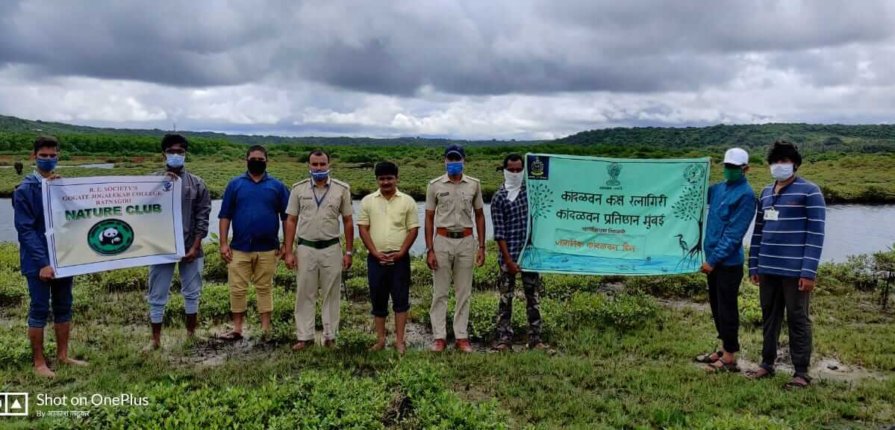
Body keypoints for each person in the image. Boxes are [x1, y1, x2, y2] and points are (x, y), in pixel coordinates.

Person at [747, 140, 826, 389]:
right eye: (775, 161)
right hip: (767, 268)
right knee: (769, 316)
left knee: (797, 318)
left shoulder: (810, 192)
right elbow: (758, 231)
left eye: (784, 161)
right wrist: (754, 265)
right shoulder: (765, 193)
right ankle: (766, 364)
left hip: (795, 272)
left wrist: (808, 271)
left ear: (795, 164)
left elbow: (816, 234)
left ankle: (801, 372)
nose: (779, 165)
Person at [14, 135, 88, 378]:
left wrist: (61, 190)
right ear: (33, 157)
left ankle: (63, 356)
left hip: (63, 257)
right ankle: (38, 363)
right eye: (43, 156)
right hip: (38, 263)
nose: (48, 159)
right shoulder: (24, 190)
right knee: (38, 309)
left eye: (52, 155)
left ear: (58, 156)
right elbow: (25, 231)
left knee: (64, 307)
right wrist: (43, 263)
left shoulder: (60, 185)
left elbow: (76, 217)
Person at [146, 134, 211, 350]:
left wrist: (195, 246)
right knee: (157, 294)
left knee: (192, 293)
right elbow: (139, 211)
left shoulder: (197, 184)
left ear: (185, 154)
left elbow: (203, 216)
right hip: (160, 249)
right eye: (172, 151)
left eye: (180, 152)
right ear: (163, 153)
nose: (176, 155)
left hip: (191, 247)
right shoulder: (150, 183)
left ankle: (191, 335)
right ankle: (155, 340)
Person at [218, 145, 290, 340]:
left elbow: (287, 218)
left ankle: (266, 330)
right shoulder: (235, 184)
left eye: (260, 159)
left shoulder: (277, 186)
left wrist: (287, 245)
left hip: (268, 248)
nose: (256, 162)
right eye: (253, 158)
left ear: (267, 161)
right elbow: (225, 216)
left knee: (264, 288)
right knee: (237, 289)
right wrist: (223, 243)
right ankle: (237, 329)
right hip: (239, 248)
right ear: (246, 160)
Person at [283, 150, 354, 350]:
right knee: (305, 292)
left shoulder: (341, 189)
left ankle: (330, 336)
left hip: (332, 248)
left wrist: (349, 252)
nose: (319, 168)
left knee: (331, 293)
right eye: (315, 164)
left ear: (329, 165)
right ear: (309, 165)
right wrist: (289, 251)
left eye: (322, 164)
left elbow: (348, 222)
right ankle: (304, 337)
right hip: (306, 248)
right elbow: (291, 220)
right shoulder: (298, 190)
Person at [695, 147, 756, 372]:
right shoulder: (719, 189)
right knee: (716, 306)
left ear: (745, 169)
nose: (729, 170)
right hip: (712, 260)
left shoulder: (747, 196)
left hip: (727, 264)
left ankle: (729, 356)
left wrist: (713, 260)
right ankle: (722, 349)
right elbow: (696, 193)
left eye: (734, 167)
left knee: (727, 309)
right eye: (727, 166)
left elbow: (733, 235)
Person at [425, 144, 486, 353]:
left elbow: (479, 214)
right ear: (444, 161)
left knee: (464, 292)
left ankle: (461, 336)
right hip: (442, 240)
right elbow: (429, 218)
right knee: (440, 292)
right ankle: (439, 337)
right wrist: (429, 249)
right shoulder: (434, 185)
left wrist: (482, 246)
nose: (453, 163)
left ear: (463, 161)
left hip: (466, 241)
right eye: (449, 159)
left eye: (456, 159)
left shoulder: (474, 185)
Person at [357, 161, 419, 353]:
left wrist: (401, 252)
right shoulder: (367, 201)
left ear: (397, 178)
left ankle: (400, 341)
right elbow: (363, 229)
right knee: (378, 300)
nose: (385, 182)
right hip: (375, 259)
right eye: (382, 178)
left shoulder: (407, 201)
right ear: (377, 179)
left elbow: (413, 229)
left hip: (400, 259)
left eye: (389, 178)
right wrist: (375, 253)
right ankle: (381, 340)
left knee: (401, 300)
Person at [491, 153, 546, 351]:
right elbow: (499, 233)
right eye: (511, 170)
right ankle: (504, 339)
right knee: (506, 300)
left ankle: (535, 338)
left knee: (533, 299)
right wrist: (509, 260)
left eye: (518, 170)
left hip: (530, 257)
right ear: (504, 171)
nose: (515, 173)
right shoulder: (499, 197)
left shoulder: (531, 193)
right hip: (508, 257)